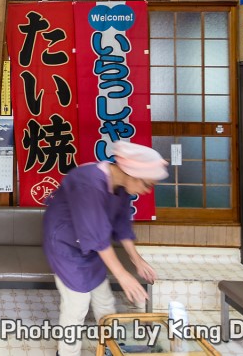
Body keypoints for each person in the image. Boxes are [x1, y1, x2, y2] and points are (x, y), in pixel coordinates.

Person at [42, 141, 169, 356]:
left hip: (92, 248)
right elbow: (96, 233)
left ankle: (111, 349)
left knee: (105, 300)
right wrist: (122, 275)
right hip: (66, 246)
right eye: (147, 185)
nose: (147, 191)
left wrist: (137, 261)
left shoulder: (121, 187)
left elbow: (120, 224)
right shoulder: (89, 181)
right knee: (77, 305)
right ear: (131, 173)